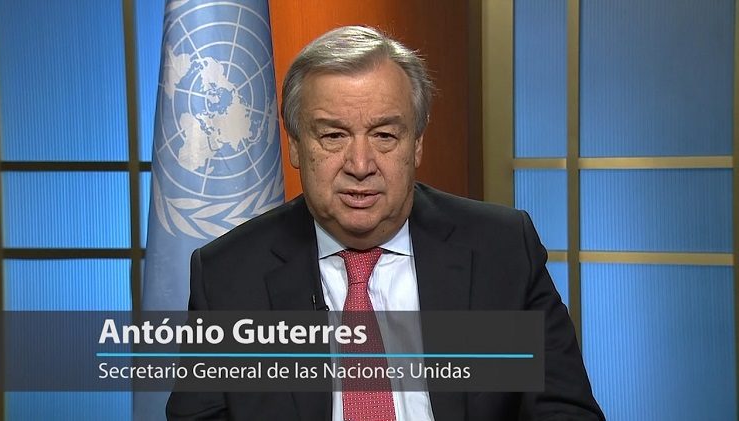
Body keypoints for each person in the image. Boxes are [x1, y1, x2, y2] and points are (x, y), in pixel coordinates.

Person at [167, 25, 605, 420]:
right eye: (333, 135)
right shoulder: (229, 275)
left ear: (416, 144)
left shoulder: (501, 249)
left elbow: (565, 411)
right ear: (296, 146)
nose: (360, 165)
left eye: (384, 135)